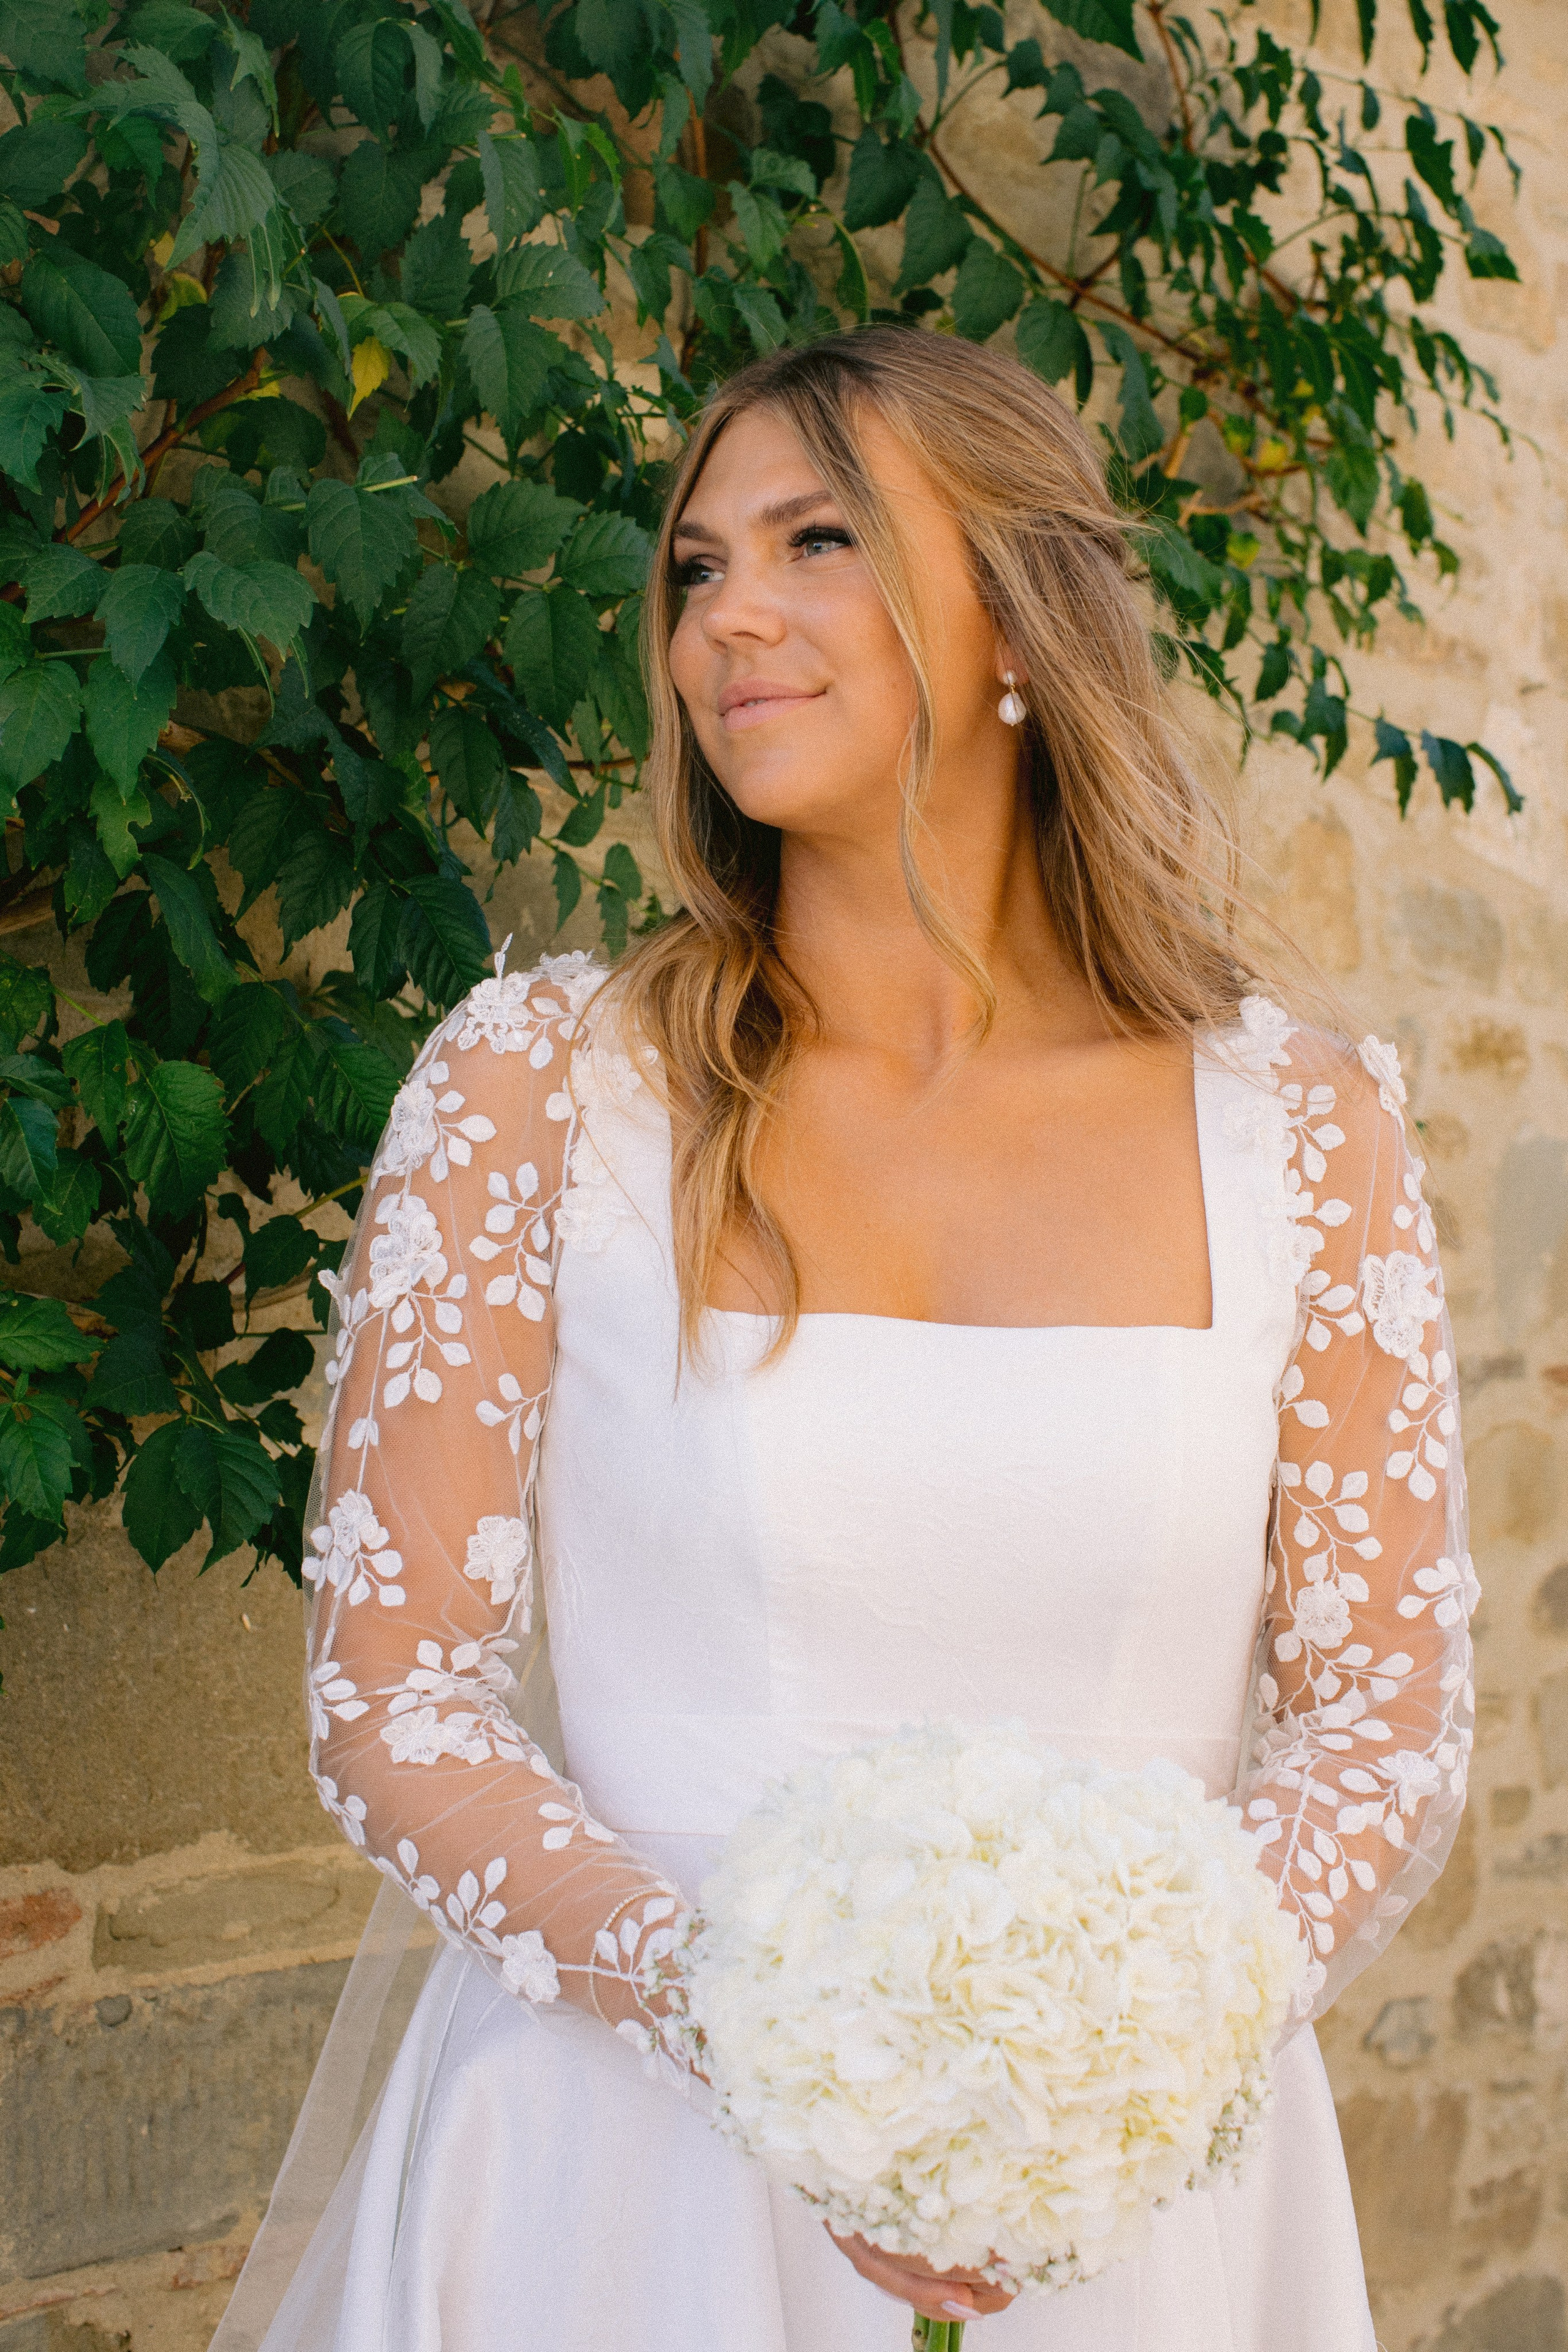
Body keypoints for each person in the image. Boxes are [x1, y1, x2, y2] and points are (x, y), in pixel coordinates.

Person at [220, 327, 1475, 2351]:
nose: (733, 617)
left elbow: (1380, 1723)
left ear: (1018, 621)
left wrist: (1106, 2071)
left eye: (817, 540)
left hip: (1136, 2206)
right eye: (697, 567)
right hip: (616, 2191)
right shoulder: (542, 1087)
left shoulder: (1302, 1129)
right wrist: (761, 2033)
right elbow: (398, 1699)